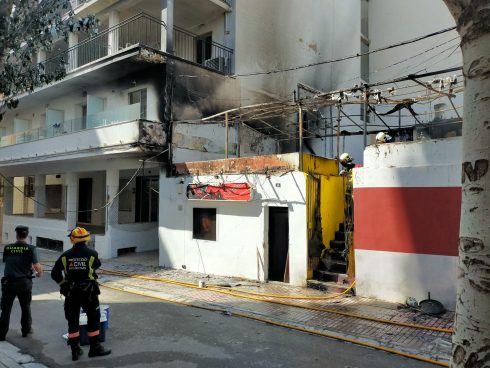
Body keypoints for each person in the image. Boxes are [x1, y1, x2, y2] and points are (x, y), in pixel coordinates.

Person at [51, 227, 111, 361]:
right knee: (93, 318)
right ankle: (94, 348)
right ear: (86, 238)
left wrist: (64, 284)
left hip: (71, 293)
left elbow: (55, 273)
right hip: (89, 293)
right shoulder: (92, 254)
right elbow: (96, 265)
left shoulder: (65, 256)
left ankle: (75, 350)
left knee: (73, 321)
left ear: (72, 239)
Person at [0, 225, 43, 341]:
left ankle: (1, 334)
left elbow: (7, 261)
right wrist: (39, 273)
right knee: (25, 307)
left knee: (6, 309)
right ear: (27, 235)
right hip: (24, 283)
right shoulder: (31, 248)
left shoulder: (8, 248)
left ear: (16, 235)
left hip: (8, 283)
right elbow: (37, 266)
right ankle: (26, 330)